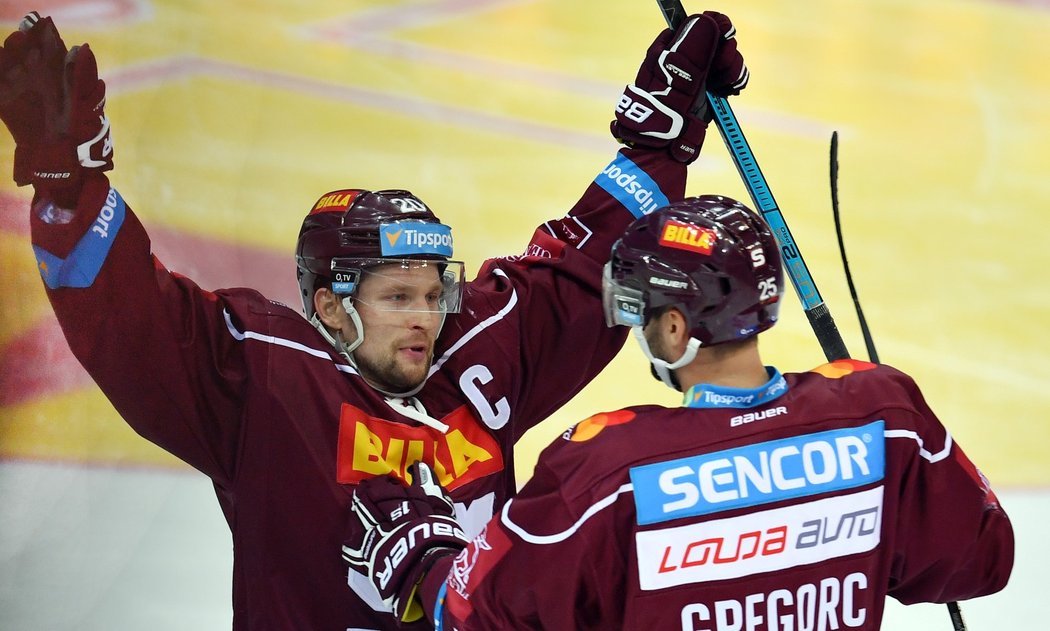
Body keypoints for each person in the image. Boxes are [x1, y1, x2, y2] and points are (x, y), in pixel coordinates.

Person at [0, 8, 750, 631]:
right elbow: (129, 318)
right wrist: (70, 187)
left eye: (433, 291)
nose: (426, 316)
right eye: (397, 298)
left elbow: (582, 270)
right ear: (330, 307)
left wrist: (658, 140)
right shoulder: (265, 379)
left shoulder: (478, 348)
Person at [343, 196, 1015, 629]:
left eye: (638, 314)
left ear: (674, 329)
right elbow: (983, 559)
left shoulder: (606, 470)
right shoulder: (882, 412)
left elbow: (471, 614)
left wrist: (425, 560)